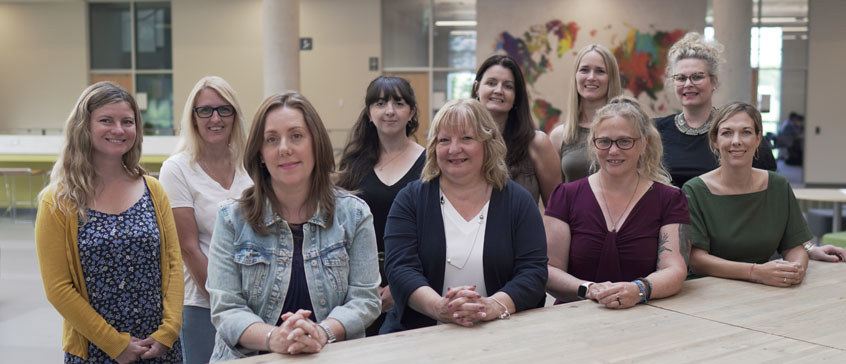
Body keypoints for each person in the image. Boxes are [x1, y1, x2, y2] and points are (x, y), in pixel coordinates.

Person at [206, 92, 381, 360]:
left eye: (296, 136)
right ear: (261, 154)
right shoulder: (232, 219)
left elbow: (365, 300)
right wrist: (274, 337)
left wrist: (321, 333)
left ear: (316, 144)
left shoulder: (354, 215)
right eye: (272, 139)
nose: (284, 148)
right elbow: (226, 308)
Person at [35, 81, 183, 363]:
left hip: (160, 347)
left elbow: (174, 264)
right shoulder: (58, 201)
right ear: (84, 126)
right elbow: (58, 288)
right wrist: (114, 344)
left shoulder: (154, 190)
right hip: (95, 350)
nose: (119, 129)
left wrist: (169, 331)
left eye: (127, 121)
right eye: (106, 120)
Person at [381, 98, 548, 333]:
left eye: (466, 138)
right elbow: (400, 269)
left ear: (486, 143)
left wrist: (492, 306)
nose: (454, 149)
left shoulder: (518, 202)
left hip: (501, 335)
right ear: (434, 147)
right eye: (444, 140)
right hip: (420, 335)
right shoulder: (410, 200)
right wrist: (440, 308)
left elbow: (533, 272)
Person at [545, 96, 689, 309]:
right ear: (593, 145)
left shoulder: (670, 199)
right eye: (604, 141)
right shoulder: (565, 195)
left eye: (624, 141)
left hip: (646, 318)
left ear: (643, 144)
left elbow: (674, 269)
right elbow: (549, 269)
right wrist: (589, 289)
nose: (613, 151)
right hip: (574, 321)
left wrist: (638, 290)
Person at [684, 102, 846, 285]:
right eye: (727, 132)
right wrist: (755, 272)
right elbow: (696, 260)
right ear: (715, 140)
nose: (736, 140)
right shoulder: (695, 191)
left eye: (746, 132)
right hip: (708, 288)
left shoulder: (778, 185)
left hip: (765, 287)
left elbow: (793, 246)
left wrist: (796, 269)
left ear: (758, 138)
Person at [159, 76, 253, 364]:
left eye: (224, 109)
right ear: (193, 117)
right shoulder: (177, 170)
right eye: (206, 111)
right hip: (203, 303)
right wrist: (228, 304)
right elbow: (188, 248)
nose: (216, 118)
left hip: (257, 300)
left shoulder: (249, 163)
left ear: (235, 115)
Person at [336, 76, 426, 336]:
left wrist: (401, 288)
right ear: (369, 113)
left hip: (412, 280)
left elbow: (433, 233)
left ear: (411, 113)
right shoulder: (353, 164)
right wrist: (362, 288)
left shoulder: (430, 164)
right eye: (380, 103)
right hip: (357, 284)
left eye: (398, 103)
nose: (389, 111)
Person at [654, 32, 776, 187]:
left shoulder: (738, 132)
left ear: (714, 82)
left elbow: (767, 183)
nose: (688, 84)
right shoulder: (655, 131)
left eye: (697, 77)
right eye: (681, 78)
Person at [471, 54, 561, 205]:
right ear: (476, 88)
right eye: (491, 83)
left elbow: (558, 210)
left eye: (508, 86)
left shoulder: (537, 143)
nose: (498, 90)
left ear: (516, 96)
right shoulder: (462, 142)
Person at [549, 44, 623, 183]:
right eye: (584, 70)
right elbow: (555, 198)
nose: (591, 77)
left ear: (611, 78)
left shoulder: (630, 131)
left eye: (600, 71)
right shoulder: (559, 136)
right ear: (576, 76)